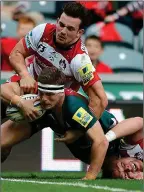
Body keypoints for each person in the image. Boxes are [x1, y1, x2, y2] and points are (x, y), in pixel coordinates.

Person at [1, 68, 143, 180]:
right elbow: (102, 141)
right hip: (45, 113)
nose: (44, 98)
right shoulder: (70, 105)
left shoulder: (72, 107)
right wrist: (20, 102)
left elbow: (100, 144)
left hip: (56, 118)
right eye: (42, 93)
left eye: (127, 175)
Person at [8, 2, 108, 119]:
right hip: (30, 86)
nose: (63, 31)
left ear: (79, 33)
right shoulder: (42, 31)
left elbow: (100, 99)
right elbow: (16, 53)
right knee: (5, 93)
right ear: (57, 20)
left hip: (58, 105)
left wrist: (79, 131)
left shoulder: (80, 61)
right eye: (61, 24)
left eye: (70, 29)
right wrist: (24, 75)